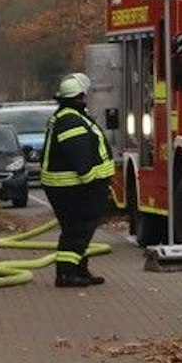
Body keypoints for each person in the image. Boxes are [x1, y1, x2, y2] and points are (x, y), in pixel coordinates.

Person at [38, 72, 115, 288]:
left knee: (79, 230)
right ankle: (66, 274)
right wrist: (91, 181)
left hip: (70, 187)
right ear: (80, 95)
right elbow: (79, 154)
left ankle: (79, 270)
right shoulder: (70, 120)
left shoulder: (69, 116)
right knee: (78, 230)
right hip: (75, 188)